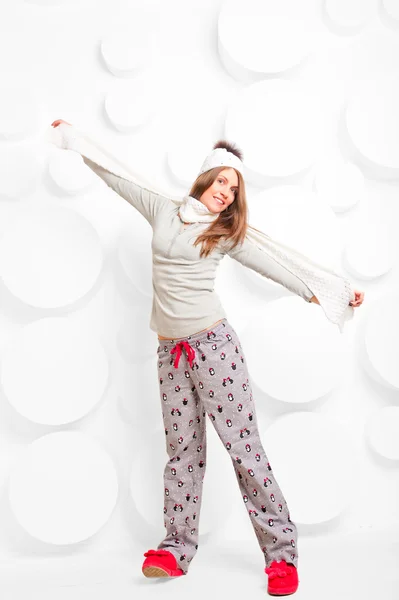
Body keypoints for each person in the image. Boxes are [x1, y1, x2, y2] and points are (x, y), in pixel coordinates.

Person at [48, 120, 364, 596]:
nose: (226, 194)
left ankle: (282, 557)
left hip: (214, 348)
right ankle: (175, 549)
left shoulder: (226, 232)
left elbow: (275, 266)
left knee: (244, 450)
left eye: (234, 189)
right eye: (221, 181)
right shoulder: (161, 209)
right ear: (205, 177)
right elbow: (117, 176)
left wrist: (326, 294)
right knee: (182, 454)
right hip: (169, 352)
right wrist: (76, 140)